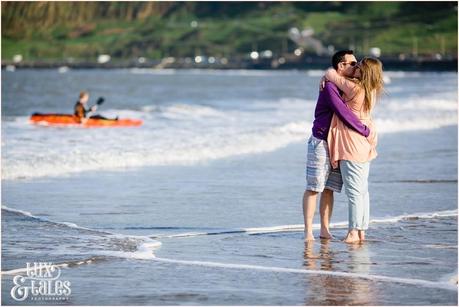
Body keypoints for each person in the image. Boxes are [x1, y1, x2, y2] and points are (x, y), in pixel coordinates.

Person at [303, 50, 371, 241]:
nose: (356, 66)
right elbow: (343, 112)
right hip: (321, 141)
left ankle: (325, 230)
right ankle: (308, 231)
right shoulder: (330, 87)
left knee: (328, 189)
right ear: (341, 66)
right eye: (352, 63)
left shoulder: (346, 85)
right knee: (314, 187)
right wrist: (363, 129)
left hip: (338, 142)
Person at [324, 57, 384, 243]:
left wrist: (326, 76)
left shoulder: (355, 88)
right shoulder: (372, 90)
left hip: (352, 144)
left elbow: (331, 74)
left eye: (357, 67)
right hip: (364, 141)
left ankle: (353, 232)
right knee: (362, 190)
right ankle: (361, 231)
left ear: (363, 72)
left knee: (354, 192)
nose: (354, 68)